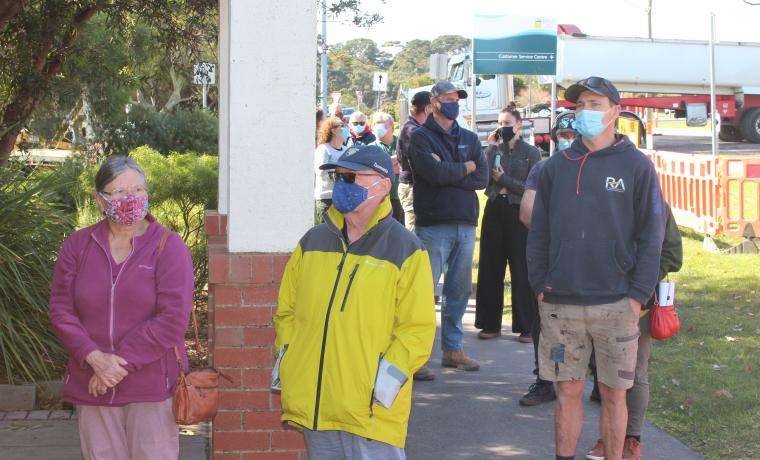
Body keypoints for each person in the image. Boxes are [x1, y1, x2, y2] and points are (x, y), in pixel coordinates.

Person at [527, 76, 666, 460]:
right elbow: (538, 233)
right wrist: (540, 284)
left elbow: (652, 236)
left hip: (617, 304)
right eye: (581, 105)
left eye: (595, 104)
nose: (586, 112)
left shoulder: (637, 166)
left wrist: (637, 297)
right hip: (560, 304)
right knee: (567, 391)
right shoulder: (555, 166)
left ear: (615, 112)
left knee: (613, 394)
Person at [274, 144, 436, 459]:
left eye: (352, 176)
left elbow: (416, 330)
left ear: (383, 185)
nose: (342, 184)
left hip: (369, 413)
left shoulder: (407, 249)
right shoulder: (312, 242)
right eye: (338, 176)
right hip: (317, 408)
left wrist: (382, 387)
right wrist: (292, 360)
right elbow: (286, 311)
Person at [49, 156, 193, 460]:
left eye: (137, 190)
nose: (130, 199)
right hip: (93, 386)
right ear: (100, 200)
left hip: (151, 387)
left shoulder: (169, 247)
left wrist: (113, 367)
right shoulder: (77, 246)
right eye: (119, 192)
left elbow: (172, 320)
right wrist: (95, 359)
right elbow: (61, 310)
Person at [585, 203, 682, 460]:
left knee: (635, 373)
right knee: (604, 371)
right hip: (601, 297)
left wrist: (643, 280)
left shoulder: (656, 204)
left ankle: (632, 440)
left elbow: (673, 254)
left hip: (639, 303)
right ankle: (609, 438)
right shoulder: (606, 197)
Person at [409, 81, 489, 373]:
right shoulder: (420, 137)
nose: (454, 102)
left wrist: (451, 170)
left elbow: (482, 177)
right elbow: (432, 173)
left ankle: (453, 350)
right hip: (434, 225)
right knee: (423, 294)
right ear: (434, 102)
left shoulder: (468, 136)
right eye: (449, 97)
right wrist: (463, 167)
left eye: (457, 97)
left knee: (458, 291)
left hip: (466, 225)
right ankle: (416, 358)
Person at [518, 113, 578, 406]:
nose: (567, 141)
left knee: (590, 324)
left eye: (572, 136)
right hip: (551, 264)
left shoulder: (597, 168)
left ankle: (597, 381)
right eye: (563, 136)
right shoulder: (543, 170)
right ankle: (546, 379)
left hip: (589, 266)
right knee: (549, 324)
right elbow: (527, 213)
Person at [475, 108, 542, 342]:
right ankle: (489, 323)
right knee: (490, 266)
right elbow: (483, 180)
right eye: (500, 122)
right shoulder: (494, 149)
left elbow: (530, 187)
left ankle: (526, 326)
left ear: (518, 125)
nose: (503, 126)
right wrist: (490, 147)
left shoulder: (531, 153)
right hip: (495, 209)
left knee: (521, 268)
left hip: (518, 211)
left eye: (507, 122)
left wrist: (503, 180)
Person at [396, 91, 431, 233]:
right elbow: (427, 160)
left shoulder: (418, 128)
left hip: (416, 186)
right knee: (414, 233)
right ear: (428, 108)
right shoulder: (412, 131)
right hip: (411, 188)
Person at [314, 116, 349, 222]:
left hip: (343, 198)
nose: (345, 128)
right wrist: (340, 172)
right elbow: (321, 172)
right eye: (342, 126)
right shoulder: (323, 149)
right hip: (327, 198)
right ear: (333, 130)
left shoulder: (347, 150)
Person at [370, 111, 404, 223]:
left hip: (401, 197)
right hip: (380, 199)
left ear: (392, 127)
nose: (378, 126)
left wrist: (385, 165)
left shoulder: (403, 143)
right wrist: (397, 160)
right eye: (376, 123)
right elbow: (375, 170)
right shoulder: (370, 148)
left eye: (382, 123)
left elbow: (408, 166)